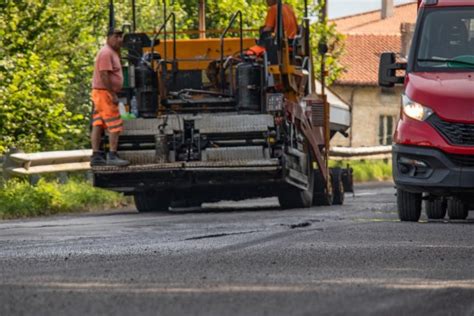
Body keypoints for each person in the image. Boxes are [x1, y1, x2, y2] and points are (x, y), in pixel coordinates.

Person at [90, 29, 130, 167]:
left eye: (121, 36)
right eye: (116, 36)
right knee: (115, 124)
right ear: (108, 38)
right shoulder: (106, 52)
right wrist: (112, 93)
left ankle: (96, 156)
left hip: (101, 93)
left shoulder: (112, 52)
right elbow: (104, 75)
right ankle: (112, 155)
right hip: (104, 93)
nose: (119, 39)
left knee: (98, 124)